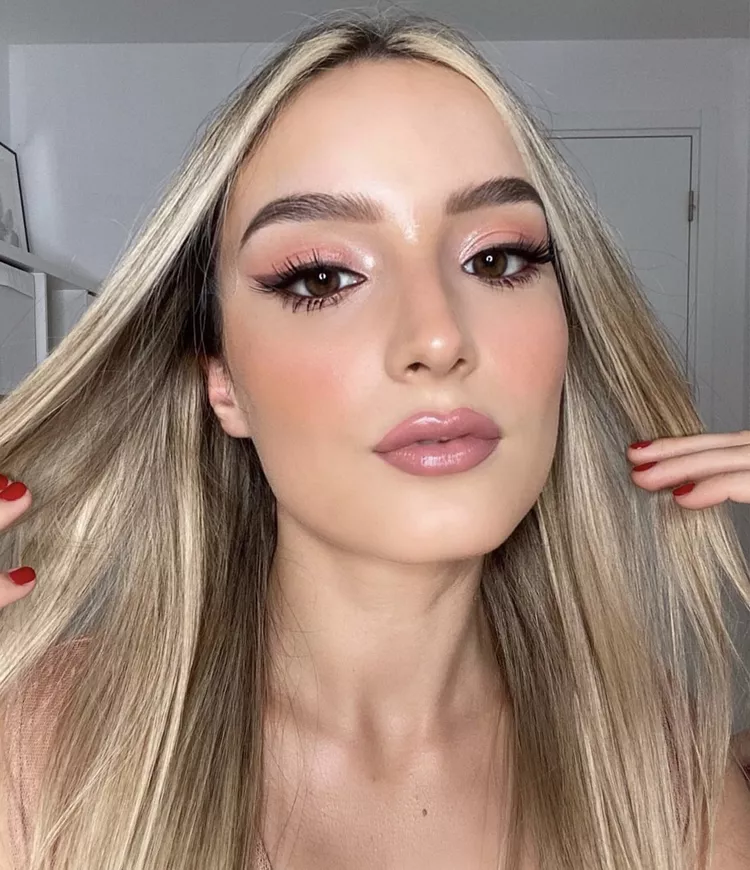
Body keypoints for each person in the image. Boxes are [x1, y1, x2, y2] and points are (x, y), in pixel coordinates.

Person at [0, 9, 750, 869]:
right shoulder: (42, 752)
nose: (438, 336)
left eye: (497, 260)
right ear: (224, 383)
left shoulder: (667, 778)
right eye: (323, 276)